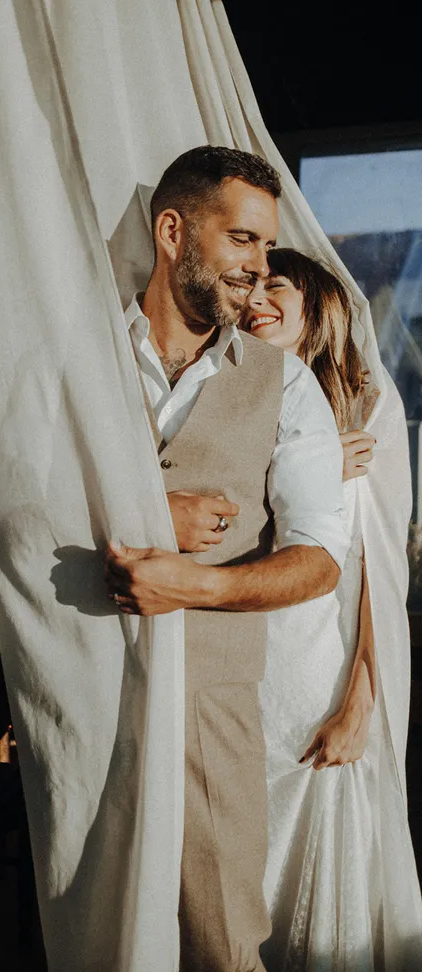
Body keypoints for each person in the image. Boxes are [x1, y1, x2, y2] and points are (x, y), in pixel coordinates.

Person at [104, 147, 350, 972]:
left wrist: (195, 585)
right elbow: (4, 503)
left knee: (223, 940)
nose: (258, 267)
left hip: (214, 704)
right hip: (81, 688)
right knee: (89, 932)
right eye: (241, 240)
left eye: (266, 248)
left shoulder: (286, 385)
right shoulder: (85, 357)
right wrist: (152, 513)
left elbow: (321, 556)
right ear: (172, 231)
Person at [240, 248, 422, 970]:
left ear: (318, 303)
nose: (256, 298)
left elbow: (380, 574)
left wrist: (362, 701)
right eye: (248, 284)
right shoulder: (233, 399)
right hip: (241, 663)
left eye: (274, 285)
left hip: (321, 668)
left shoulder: (368, 407)